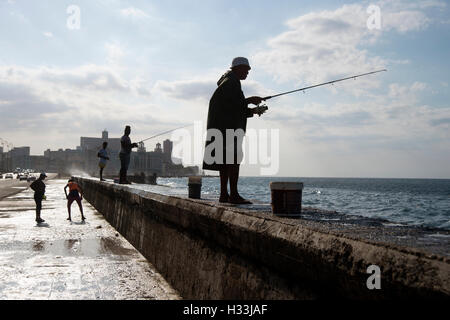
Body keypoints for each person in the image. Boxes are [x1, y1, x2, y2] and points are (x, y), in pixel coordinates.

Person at [202, 57, 265, 204]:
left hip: (223, 129)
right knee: (233, 161)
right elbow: (233, 106)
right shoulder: (231, 82)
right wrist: (249, 101)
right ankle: (234, 195)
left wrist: (253, 110)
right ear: (237, 68)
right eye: (246, 69)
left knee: (225, 163)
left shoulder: (228, 81)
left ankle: (224, 195)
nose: (248, 72)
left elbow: (233, 108)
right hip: (228, 131)